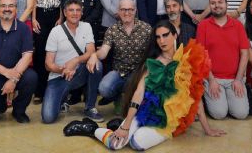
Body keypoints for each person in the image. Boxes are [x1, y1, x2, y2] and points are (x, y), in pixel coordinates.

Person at [63, 21, 225, 150]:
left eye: (165, 35)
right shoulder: (153, 64)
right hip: (143, 113)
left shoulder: (187, 62)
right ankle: (91, 128)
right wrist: (127, 126)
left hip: (166, 122)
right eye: (158, 37)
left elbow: (195, 97)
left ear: (175, 35)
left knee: (136, 143)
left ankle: (116, 126)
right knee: (116, 144)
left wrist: (207, 129)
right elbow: (139, 94)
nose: (162, 41)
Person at [41, 0, 103, 123]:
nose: (75, 13)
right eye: (71, 10)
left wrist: (75, 61)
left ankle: (90, 107)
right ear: (65, 12)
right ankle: (62, 99)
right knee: (48, 118)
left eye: (78, 10)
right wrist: (64, 70)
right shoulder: (55, 31)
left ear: (81, 12)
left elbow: (91, 51)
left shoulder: (86, 26)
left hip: (79, 73)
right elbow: (48, 64)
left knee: (96, 64)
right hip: (58, 76)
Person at [196, 0, 250, 120]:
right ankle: (212, 96)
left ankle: (230, 98)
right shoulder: (203, 25)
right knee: (219, 114)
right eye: (213, 3)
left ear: (226, 4)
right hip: (213, 78)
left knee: (241, 114)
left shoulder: (237, 25)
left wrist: (238, 79)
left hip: (234, 78)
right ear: (210, 6)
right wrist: (211, 80)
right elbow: (201, 55)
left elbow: (245, 53)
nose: (217, 6)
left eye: (220, 2)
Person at [91, 0, 152, 106]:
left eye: (130, 9)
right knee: (104, 89)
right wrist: (95, 55)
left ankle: (129, 97)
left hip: (138, 73)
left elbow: (152, 53)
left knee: (137, 91)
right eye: (123, 9)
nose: (127, 13)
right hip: (118, 72)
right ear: (118, 11)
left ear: (135, 11)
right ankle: (118, 96)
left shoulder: (146, 29)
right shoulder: (112, 30)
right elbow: (104, 51)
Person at [30, 0, 68, 102]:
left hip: (55, 16)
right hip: (39, 15)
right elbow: (33, 3)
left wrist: (61, 18)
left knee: (55, 52)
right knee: (39, 52)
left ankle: (55, 88)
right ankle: (40, 90)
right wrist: (33, 19)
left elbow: (63, 1)